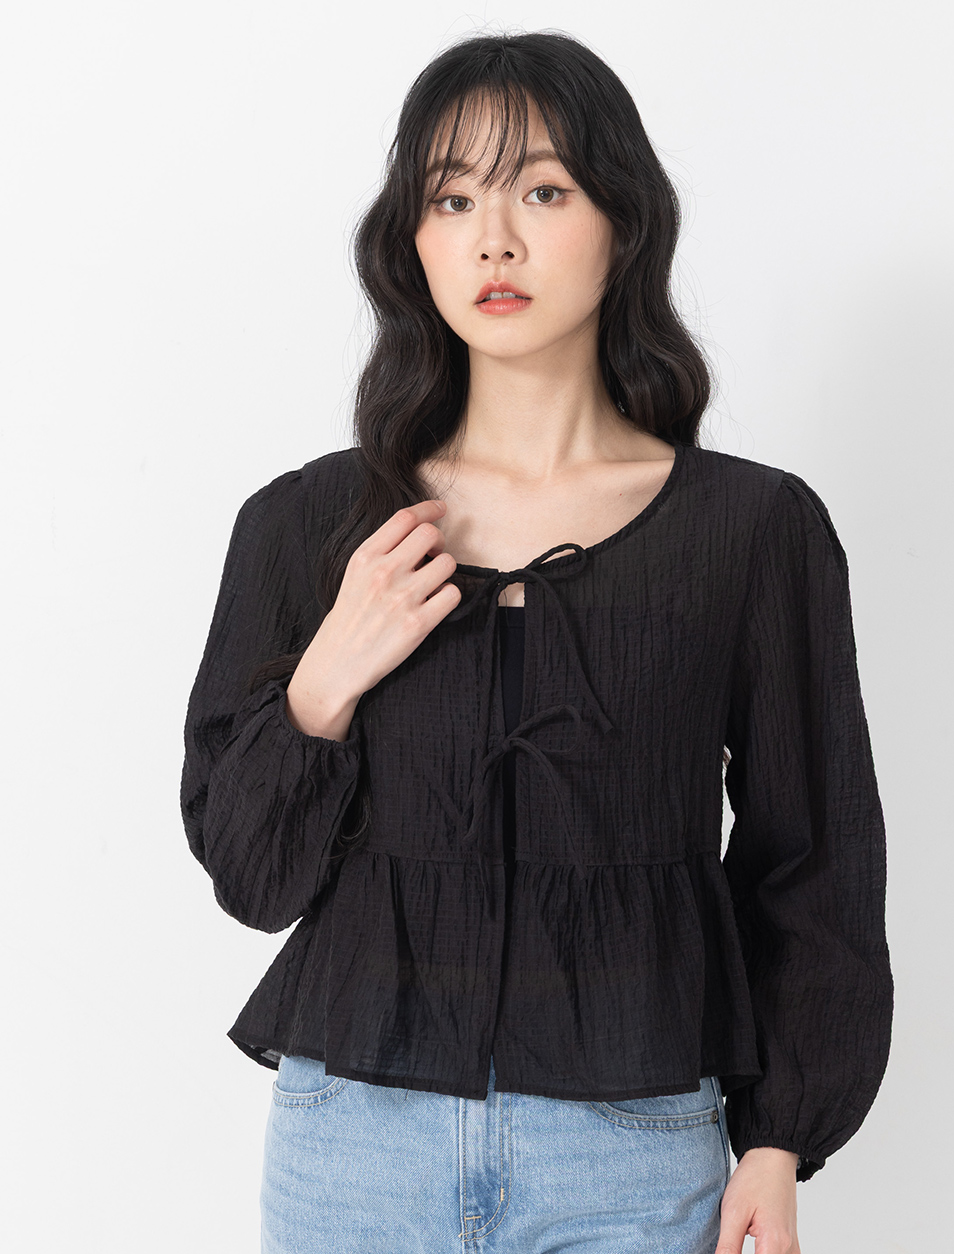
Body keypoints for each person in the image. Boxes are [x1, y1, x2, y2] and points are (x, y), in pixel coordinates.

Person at [181, 29, 893, 1254]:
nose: (493, 240)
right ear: (411, 240)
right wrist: (326, 678)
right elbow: (250, 879)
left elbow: (812, 858)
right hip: (353, 1147)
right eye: (451, 199)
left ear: (624, 223)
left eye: (544, 192)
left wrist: (780, 1140)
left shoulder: (749, 531)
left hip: (634, 1151)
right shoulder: (307, 524)